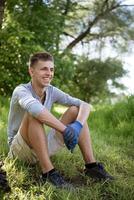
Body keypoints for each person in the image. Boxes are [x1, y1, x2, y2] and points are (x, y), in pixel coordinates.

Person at [7, 52, 114, 188]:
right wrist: (65, 130)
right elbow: (35, 109)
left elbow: (85, 105)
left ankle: (91, 167)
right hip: (20, 149)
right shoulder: (21, 90)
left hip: (41, 146)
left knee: (76, 110)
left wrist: (76, 126)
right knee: (33, 113)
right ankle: (48, 173)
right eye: (44, 69)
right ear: (31, 71)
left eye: (51, 69)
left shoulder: (51, 91)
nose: (49, 73)